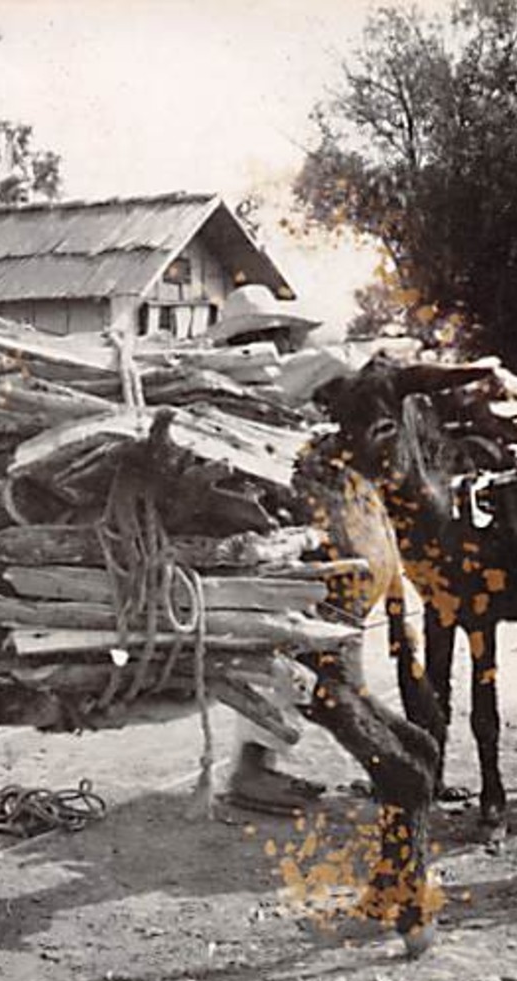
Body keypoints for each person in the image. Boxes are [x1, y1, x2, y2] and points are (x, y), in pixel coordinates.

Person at [206, 284, 327, 814]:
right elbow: (329, 362)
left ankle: (260, 765)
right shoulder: (253, 375)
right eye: (278, 335)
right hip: (247, 522)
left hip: (251, 515)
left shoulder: (245, 375)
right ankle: (252, 771)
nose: (284, 343)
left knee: (276, 649)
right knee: (272, 646)